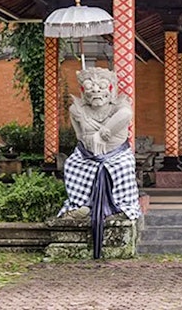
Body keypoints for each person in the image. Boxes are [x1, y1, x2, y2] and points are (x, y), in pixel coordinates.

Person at [54, 66, 140, 258]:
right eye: (89, 86)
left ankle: (123, 207)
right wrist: (89, 142)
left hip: (116, 155)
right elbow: (78, 135)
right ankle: (80, 205)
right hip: (88, 156)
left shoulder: (119, 106)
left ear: (111, 89)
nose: (96, 90)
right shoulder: (78, 110)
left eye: (101, 86)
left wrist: (103, 132)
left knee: (123, 168)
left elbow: (126, 115)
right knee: (72, 165)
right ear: (84, 91)